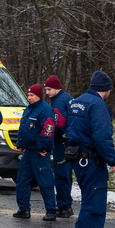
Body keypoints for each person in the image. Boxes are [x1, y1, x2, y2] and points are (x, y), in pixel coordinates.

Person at [65, 71, 115, 228]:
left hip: (76, 158)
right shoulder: (98, 105)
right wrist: (112, 160)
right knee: (95, 204)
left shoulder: (76, 102)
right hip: (90, 159)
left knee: (89, 201)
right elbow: (101, 136)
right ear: (107, 90)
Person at [13, 84, 57, 221]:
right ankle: (23, 209)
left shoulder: (45, 110)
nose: (30, 98)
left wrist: (42, 146)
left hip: (39, 152)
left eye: (32, 95)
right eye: (29, 95)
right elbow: (24, 128)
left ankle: (51, 210)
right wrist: (20, 143)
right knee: (22, 181)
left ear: (39, 95)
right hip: (28, 152)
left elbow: (48, 129)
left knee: (45, 182)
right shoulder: (28, 109)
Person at [44, 75, 75, 218]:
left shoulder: (59, 102)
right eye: (46, 89)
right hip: (70, 143)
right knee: (67, 175)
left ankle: (63, 206)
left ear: (57, 88)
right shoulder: (69, 99)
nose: (47, 93)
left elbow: (58, 124)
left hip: (61, 143)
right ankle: (67, 205)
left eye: (49, 89)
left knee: (61, 175)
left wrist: (48, 138)